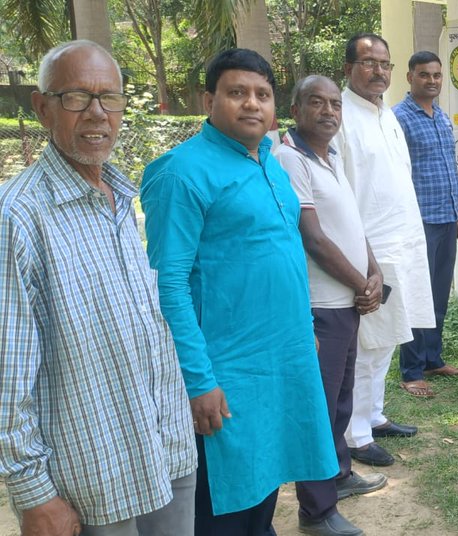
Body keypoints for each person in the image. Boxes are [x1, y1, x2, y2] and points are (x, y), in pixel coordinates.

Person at [0, 40, 196, 536]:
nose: (97, 113)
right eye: (76, 97)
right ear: (42, 107)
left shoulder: (118, 196)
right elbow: (6, 376)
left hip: (164, 452)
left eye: (109, 97)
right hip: (90, 484)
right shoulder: (16, 218)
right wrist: (33, 493)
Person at [141, 48, 338, 534]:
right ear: (209, 100)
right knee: (223, 501)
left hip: (282, 357)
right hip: (225, 370)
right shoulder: (180, 172)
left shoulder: (270, 162)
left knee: (267, 479)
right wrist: (198, 380)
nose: (252, 104)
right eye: (237, 93)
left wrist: (304, 326)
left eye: (262, 95)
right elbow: (169, 285)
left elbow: (285, 251)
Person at [276, 75, 390, 536]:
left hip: (348, 303)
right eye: (317, 103)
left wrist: (375, 272)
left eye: (335, 105)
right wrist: (363, 284)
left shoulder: (331, 155)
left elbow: (351, 224)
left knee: (341, 400)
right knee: (318, 408)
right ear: (297, 108)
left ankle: (339, 476)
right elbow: (315, 239)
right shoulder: (289, 158)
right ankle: (316, 511)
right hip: (320, 307)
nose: (328, 112)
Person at [334, 32, 432, 467]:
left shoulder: (385, 114)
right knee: (366, 345)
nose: (379, 71)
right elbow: (338, 195)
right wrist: (362, 258)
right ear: (349, 68)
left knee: (387, 341)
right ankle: (355, 435)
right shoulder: (340, 116)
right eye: (369, 63)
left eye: (384, 64)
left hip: (404, 244)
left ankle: (373, 415)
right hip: (369, 250)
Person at [392, 51, 458, 399]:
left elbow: (449, 169)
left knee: (438, 296)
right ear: (410, 77)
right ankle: (410, 370)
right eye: (424, 75)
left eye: (437, 75)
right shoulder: (398, 119)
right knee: (415, 297)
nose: (432, 81)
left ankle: (432, 359)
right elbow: (394, 175)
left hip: (445, 219)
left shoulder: (442, 117)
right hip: (417, 223)